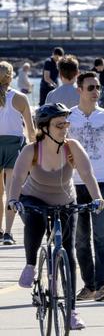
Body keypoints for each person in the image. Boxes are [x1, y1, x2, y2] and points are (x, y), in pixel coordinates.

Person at [8, 103, 104, 330]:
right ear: (45, 127)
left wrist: (97, 198)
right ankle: (31, 264)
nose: (65, 128)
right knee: (34, 221)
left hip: (65, 201)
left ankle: (72, 312)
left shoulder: (72, 147)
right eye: (59, 124)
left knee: (69, 252)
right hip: (35, 199)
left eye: (66, 123)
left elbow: (86, 173)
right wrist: (13, 200)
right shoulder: (32, 150)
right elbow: (18, 177)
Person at [68, 71, 104, 302]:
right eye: (90, 87)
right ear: (79, 90)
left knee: (101, 235)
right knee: (81, 238)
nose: (95, 92)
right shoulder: (68, 117)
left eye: (98, 87)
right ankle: (89, 285)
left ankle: (102, 284)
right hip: (74, 183)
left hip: (100, 181)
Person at [0, 62, 35, 245]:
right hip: (14, 146)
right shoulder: (20, 98)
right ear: (11, 76)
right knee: (11, 190)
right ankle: (8, 233)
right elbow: (30, 130)